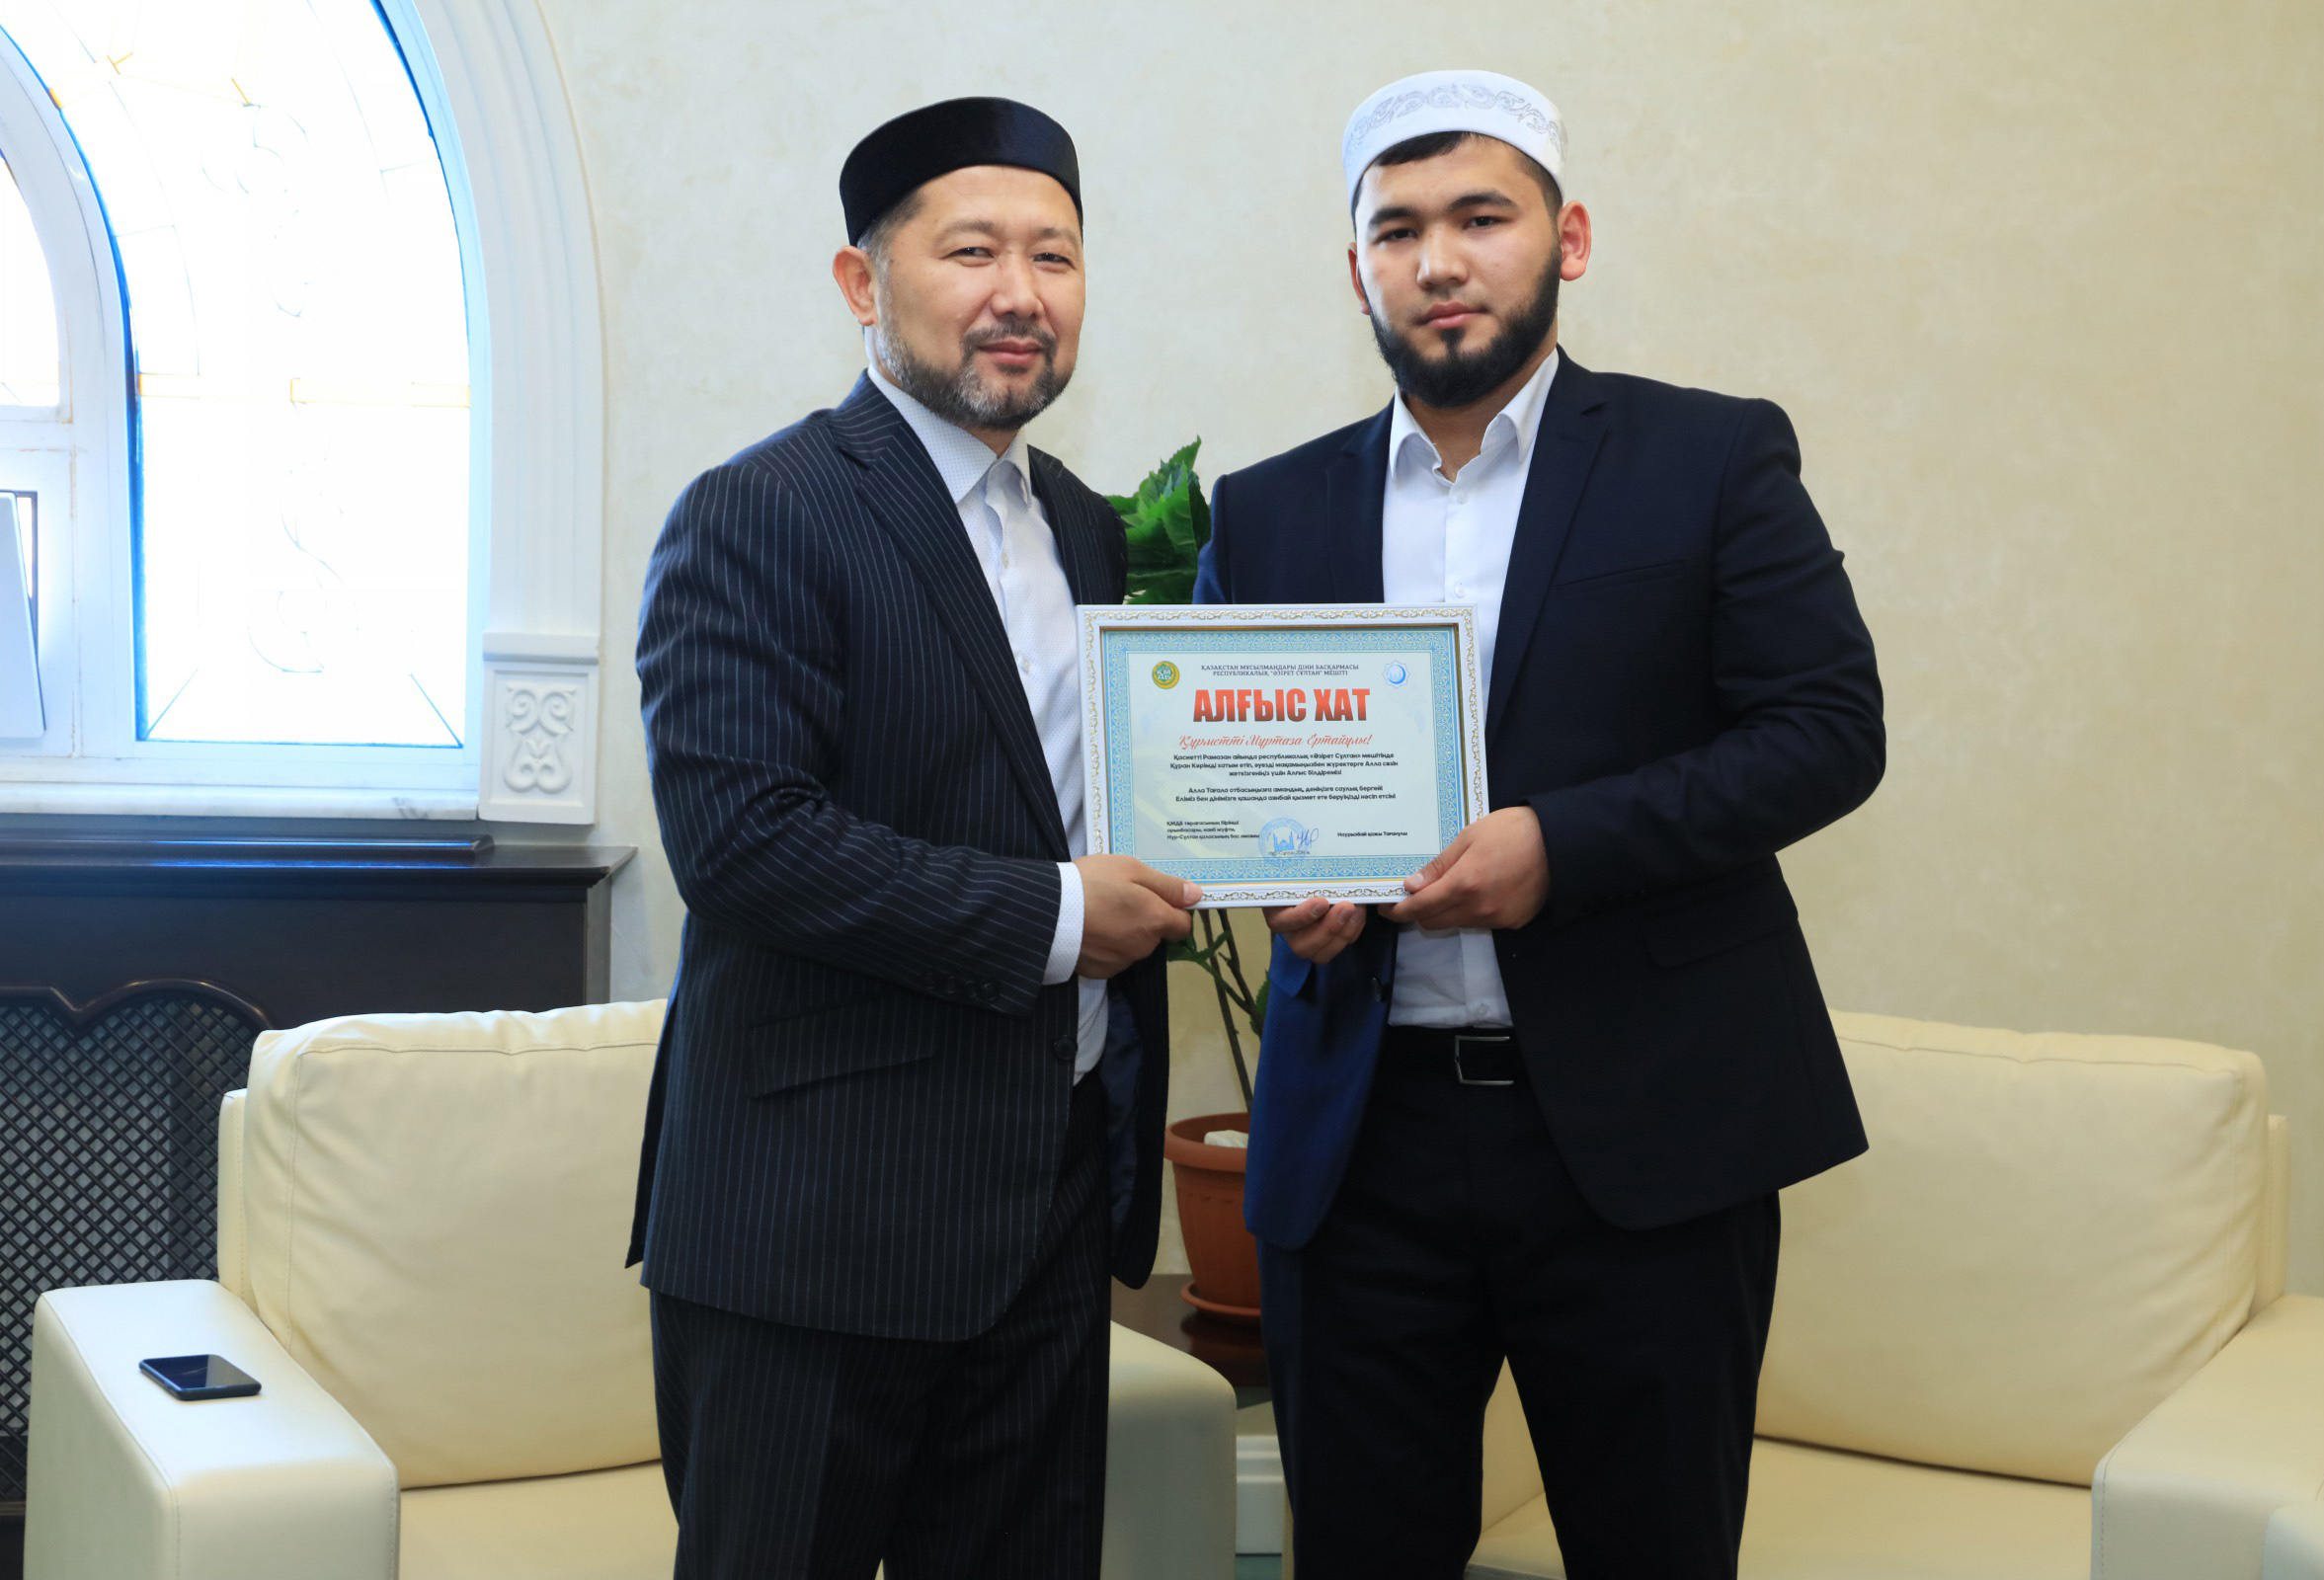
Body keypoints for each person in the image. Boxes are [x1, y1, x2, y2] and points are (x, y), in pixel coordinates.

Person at [1193, 69, 1885, 1579]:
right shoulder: (1266, 512)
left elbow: (1828, 735)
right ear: (1357, 269)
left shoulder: (1709, 458)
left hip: (1646, 1144)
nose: (1439, 261)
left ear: (1566, 241)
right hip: (1359, 1151)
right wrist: (1289, 887)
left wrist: (1556, 850)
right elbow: (1244, 792)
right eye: (1399, 230)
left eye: (1481, 217)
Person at [631, 96, 1196, 1580]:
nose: (1021, 293)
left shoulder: (1085, 528)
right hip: (818, 1225)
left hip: (1049, 1212)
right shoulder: (760, 510)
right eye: (972, 252)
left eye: (1055, 257)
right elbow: (744, 842)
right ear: (861, 281)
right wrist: (1061, 918)